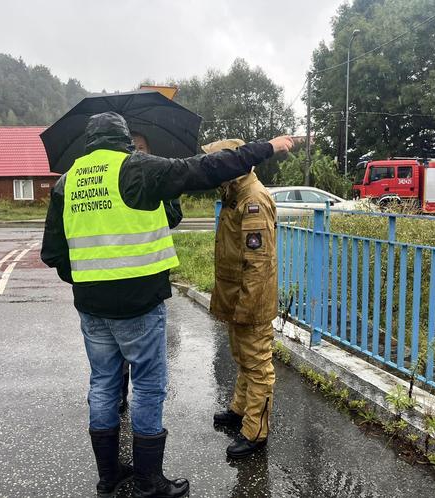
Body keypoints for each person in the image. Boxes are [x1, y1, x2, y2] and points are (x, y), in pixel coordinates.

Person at [41, 112, 294, 498]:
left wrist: (87, 280)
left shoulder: (67, 181)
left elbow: (53, 253)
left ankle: (109, 477)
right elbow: (207, 168)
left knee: (104, 386)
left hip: (91, 307)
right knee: (146, 388)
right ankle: (149, 482)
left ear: (88, 141)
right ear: (125, 139)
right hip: (139, 304)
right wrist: (268, 148)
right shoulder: (137, 169)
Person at [206, 138, 278, 459]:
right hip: (237, 297)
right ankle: (240, 410)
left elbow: (258, 262)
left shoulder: (253, 200)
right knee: (242, 358)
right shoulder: (234, 195)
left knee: (258, 363)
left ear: (233, 168)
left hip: (251, 300)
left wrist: (246, 308)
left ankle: (255, 431)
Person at [116, 132, 183, 416]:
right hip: (115, 277)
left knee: (145, 360)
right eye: (132, 148)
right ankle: (118, 396)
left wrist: (156, 197)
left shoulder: (159, 178)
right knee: (117, 354)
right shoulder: (115, 179)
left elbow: (174, 216)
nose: (137, 152)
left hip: (146, 279)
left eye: (142, 148)